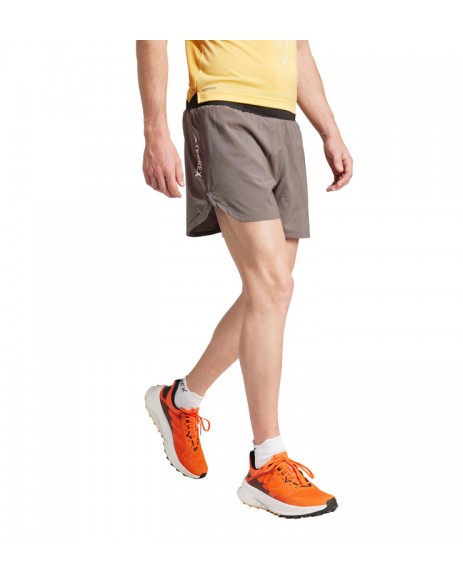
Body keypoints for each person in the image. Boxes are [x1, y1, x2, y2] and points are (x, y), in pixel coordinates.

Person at [137, 40, 353, 518]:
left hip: (283, 119)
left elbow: (298, 45)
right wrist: (155, 130)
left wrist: (330, 130)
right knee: (272, 287)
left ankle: (180, 400)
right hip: (223, 108)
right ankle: (266, 462)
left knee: (270, 291)